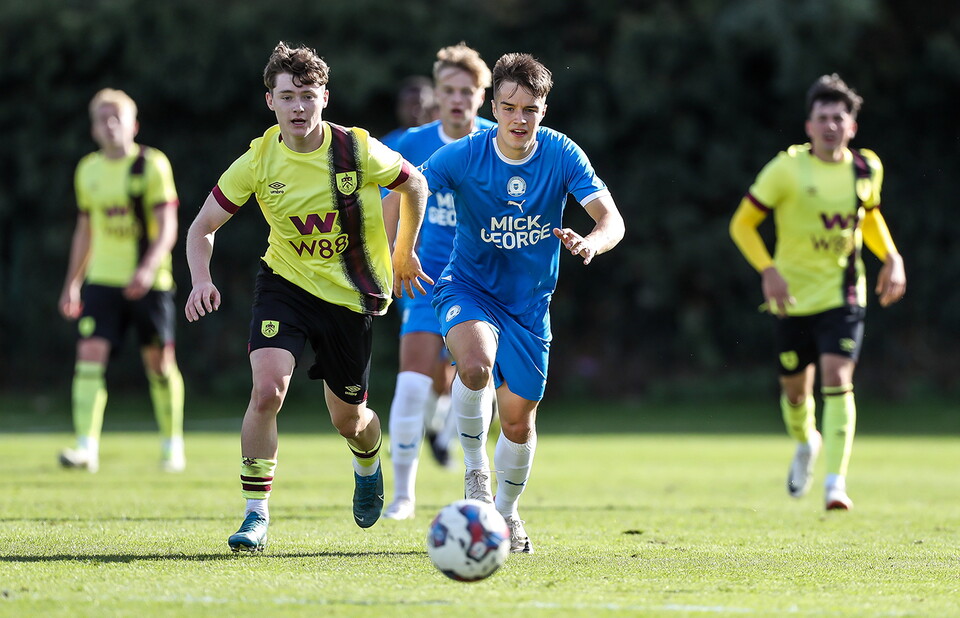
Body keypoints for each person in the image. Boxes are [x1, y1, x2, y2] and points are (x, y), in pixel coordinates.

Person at [183, 41, 430, 553]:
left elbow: (416, 185)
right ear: (269, 101)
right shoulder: (257, 160)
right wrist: (200, 279)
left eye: (308, 95)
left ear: (325, 98)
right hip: (285, 286)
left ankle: (368, 464)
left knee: (350, 420)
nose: (299, 106)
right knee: (268, 390)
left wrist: (403, 253)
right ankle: (255, 515)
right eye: (287, 96)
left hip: (349, 298)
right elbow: (203, 226)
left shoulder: (356, 149)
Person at [421, 53, 625, 552]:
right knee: (475, 365)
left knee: (518, 420)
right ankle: (475, 475)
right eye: (508, 107)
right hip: (467, 287)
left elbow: (611, 220)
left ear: (544, 110)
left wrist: (591, 243)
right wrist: (398, 254)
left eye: (529, 109)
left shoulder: (562, 154)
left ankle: (506, 515)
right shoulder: (466, 154)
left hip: (530, 307)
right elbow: (407, 186)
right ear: (493, 105)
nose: (518, 118)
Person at [729, 73, 906, 511]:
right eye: (822, 117)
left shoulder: (866, 168)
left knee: (838, 378)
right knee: (794, 393)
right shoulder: (786, 169)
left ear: (852, 127)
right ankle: (806, 442)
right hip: (790, 299)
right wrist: (768, 270)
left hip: (844, 293)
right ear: (808, 126)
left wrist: (892, 258)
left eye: (838, 118)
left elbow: (869, 218)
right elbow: (742, 224)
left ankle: (835, 484)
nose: (830, 125)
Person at [381, 43, 497, 521]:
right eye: (448, 90)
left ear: (482, 96)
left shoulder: (500, 140)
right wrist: (386, 265)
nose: (456, 99)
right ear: (438, 93)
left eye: (466, 91)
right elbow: (387, 206)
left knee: (477, 380)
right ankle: (404, 495)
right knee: (411, 383)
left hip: (483, 282)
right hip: (424, 277)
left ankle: (476, 480)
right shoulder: (411, 143)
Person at [58, 88, 185, 474]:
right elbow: (85, 230)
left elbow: (167, 228)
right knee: (89, 357)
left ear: (134, 124)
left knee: (160, 365)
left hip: (152, 283)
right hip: (102, 282)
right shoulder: (87, 170)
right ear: (93, 128)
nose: (110, 125)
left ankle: (171, 443)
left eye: (118, 117)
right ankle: (85, 447)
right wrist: (72, 284)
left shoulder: (153, 164)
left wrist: (147, 268)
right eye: (102, 119)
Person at [380, 75, 436, 150]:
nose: (414, 112)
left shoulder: (448, 143)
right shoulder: (385, 147)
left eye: (420, 105)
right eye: (409, 105)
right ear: (399, 108)